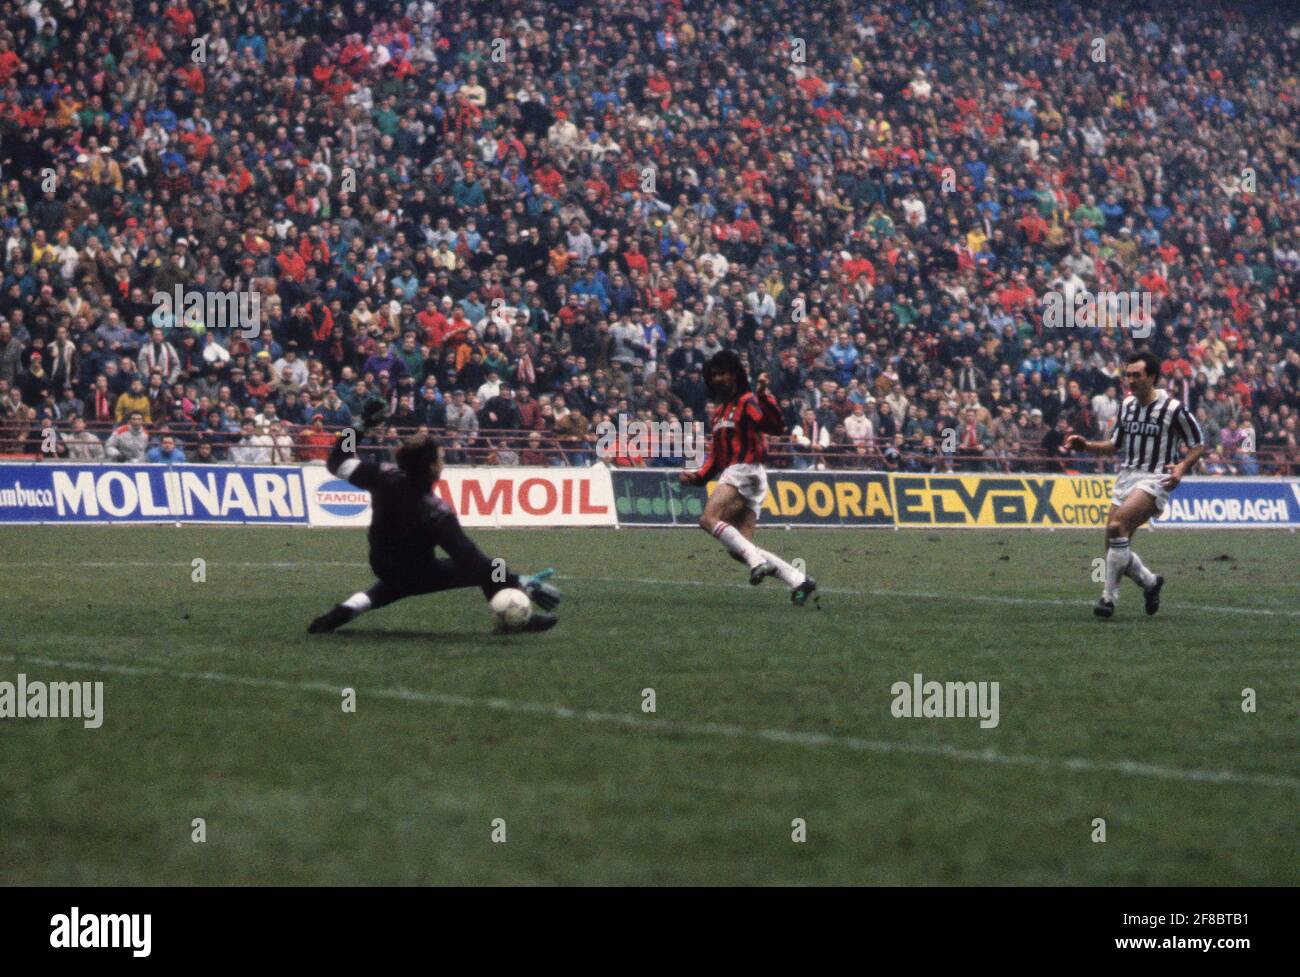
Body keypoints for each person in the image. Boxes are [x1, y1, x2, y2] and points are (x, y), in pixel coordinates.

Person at [307, 402, 562, 634]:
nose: (443, 462)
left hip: (382, 563)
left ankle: (349, 608)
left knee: (398, 581)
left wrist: (361, 424)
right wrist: (516, 579)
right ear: (431, 466)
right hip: (418, 570)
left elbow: (338, 461)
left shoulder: (384, 475)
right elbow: (471, 559)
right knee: (483, 566)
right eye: (440, 458)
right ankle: (518, 623)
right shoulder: (436, 512)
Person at [1062, 351, 1205, 619]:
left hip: (1154, 478)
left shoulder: (1173, 409)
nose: (1130, 380)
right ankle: (1150, 583)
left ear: (1151, 377)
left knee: (1118, 527)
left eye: (1136, 375)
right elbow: (1114, 445)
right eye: (1127, 374)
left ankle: (1108, 599)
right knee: (1114, 546)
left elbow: (1199, 443)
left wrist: (1182, 466)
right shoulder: (1126, 405)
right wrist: (1087, 446)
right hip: (1126, 476)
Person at [680, 349, 816, 605]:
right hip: (748, 476)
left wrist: (764, 394)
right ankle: (799, 580)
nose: (718, 378)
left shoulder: (747, 400)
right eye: (714, 375)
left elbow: (775, 427)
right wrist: (696, 478)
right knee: (740, 549)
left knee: (708, 519)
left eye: (722, 373)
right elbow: (716, 457)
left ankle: (758, 564)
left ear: (734, 374)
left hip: (745, 469)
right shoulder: (718, 414)